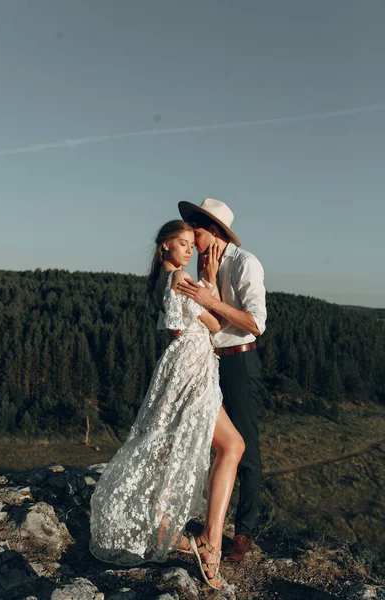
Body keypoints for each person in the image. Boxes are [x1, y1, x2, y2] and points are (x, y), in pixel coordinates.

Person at [89, 219, 245, 589]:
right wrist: (209, 280)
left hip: (186, 367)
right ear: (165, 247)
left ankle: (173, 532)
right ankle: (211, 544)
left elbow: (184, 323)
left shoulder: (165, 279)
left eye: (193, 244)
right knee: (229, 446)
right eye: (183, 243)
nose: (190, 249)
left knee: (171, 447)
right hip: (191, 370)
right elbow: (216, 324)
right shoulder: (179, 279)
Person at [177, 198, 267, 562]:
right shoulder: (202, 262)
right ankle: (211, 527)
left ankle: (244, 533)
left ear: (213, 231)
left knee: (244, 448)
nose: (192, 240)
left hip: (240, 364)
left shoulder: (246, 263)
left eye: (196, 233)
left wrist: (209, 300)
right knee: (211, 444)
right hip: (209, 363)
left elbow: (256, 323)